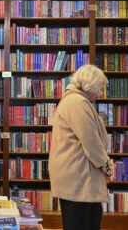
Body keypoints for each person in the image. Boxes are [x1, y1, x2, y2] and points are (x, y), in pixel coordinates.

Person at [49, 64, 113, 230]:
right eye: (100, 87)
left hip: (81, 180)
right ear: (91, 85)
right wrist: (107, 166)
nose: (100, 92)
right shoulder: (77, 102)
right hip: (79, 182)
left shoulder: (75, 100)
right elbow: (91, 142)